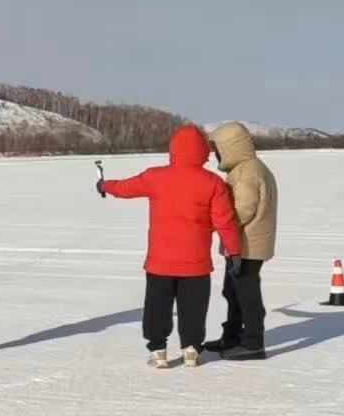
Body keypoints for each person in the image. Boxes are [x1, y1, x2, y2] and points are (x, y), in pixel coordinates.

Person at [99, 125, 244, 369]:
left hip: (160, 262)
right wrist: (234, 251)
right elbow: (225, 222)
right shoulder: (213, 182)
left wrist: (104, 186)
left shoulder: (155, 177)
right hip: (196, 264)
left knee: (157, 307)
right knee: (193, 308)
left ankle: (158, 350)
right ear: (202, 152)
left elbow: (124, 188)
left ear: (174, 149)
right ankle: (191, 348)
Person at [206, 122, 279, 361]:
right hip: (243, 243)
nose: (216, 154)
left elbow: (242, 211)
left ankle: (253, 343)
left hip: (248, 246)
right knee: (233, 292)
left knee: (247, 295)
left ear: (230, 147)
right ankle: (233, 336)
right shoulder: (247, 168)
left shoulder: (246, 172)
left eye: (218, 149)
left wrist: (216, 224)